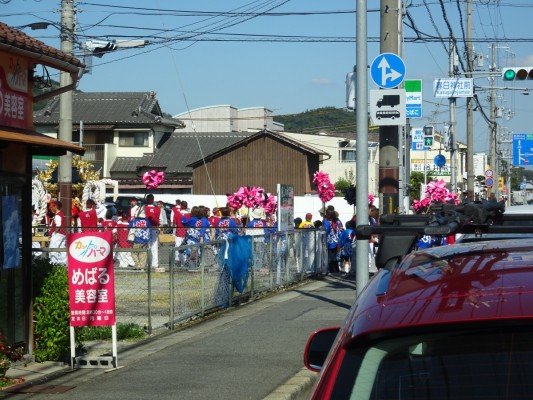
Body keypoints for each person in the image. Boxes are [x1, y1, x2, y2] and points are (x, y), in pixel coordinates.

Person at [144, 194, 164, 270]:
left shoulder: (143, 208)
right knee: (154, 247)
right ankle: (155, 264)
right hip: (154, 228)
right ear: (153, 200)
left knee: (146, 246)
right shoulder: (158, 209)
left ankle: (145, 263)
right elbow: (161, 220)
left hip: (146, 229)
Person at [128, 205, 151, 270]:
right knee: (143, 253)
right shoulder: (147, 221)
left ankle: (137, 265)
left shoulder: (134, 221)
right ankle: (142, 267)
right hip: (145, 240)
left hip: (136, 239)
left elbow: (129, 228)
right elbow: (149, 229)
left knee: (134, 252)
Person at [323, 208, 344, 274]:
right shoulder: (338, 221)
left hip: (329, 241)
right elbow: (340, 230)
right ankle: (337, 270)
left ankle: (331, 270)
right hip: (337, 241)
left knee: (329, 257)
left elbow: (325, 230)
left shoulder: (326, 221)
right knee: (335, 256)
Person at [48, 200, 67, 265]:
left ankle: (53, 262)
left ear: (55, 207)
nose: (51, 208)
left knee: (53, 248)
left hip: (58, 234)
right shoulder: (60, 214)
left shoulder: (57, 215)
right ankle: (64, 263)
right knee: (61, 248)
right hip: (62, 234)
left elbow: (58, 225)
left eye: (53, 206)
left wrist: (54, 233)